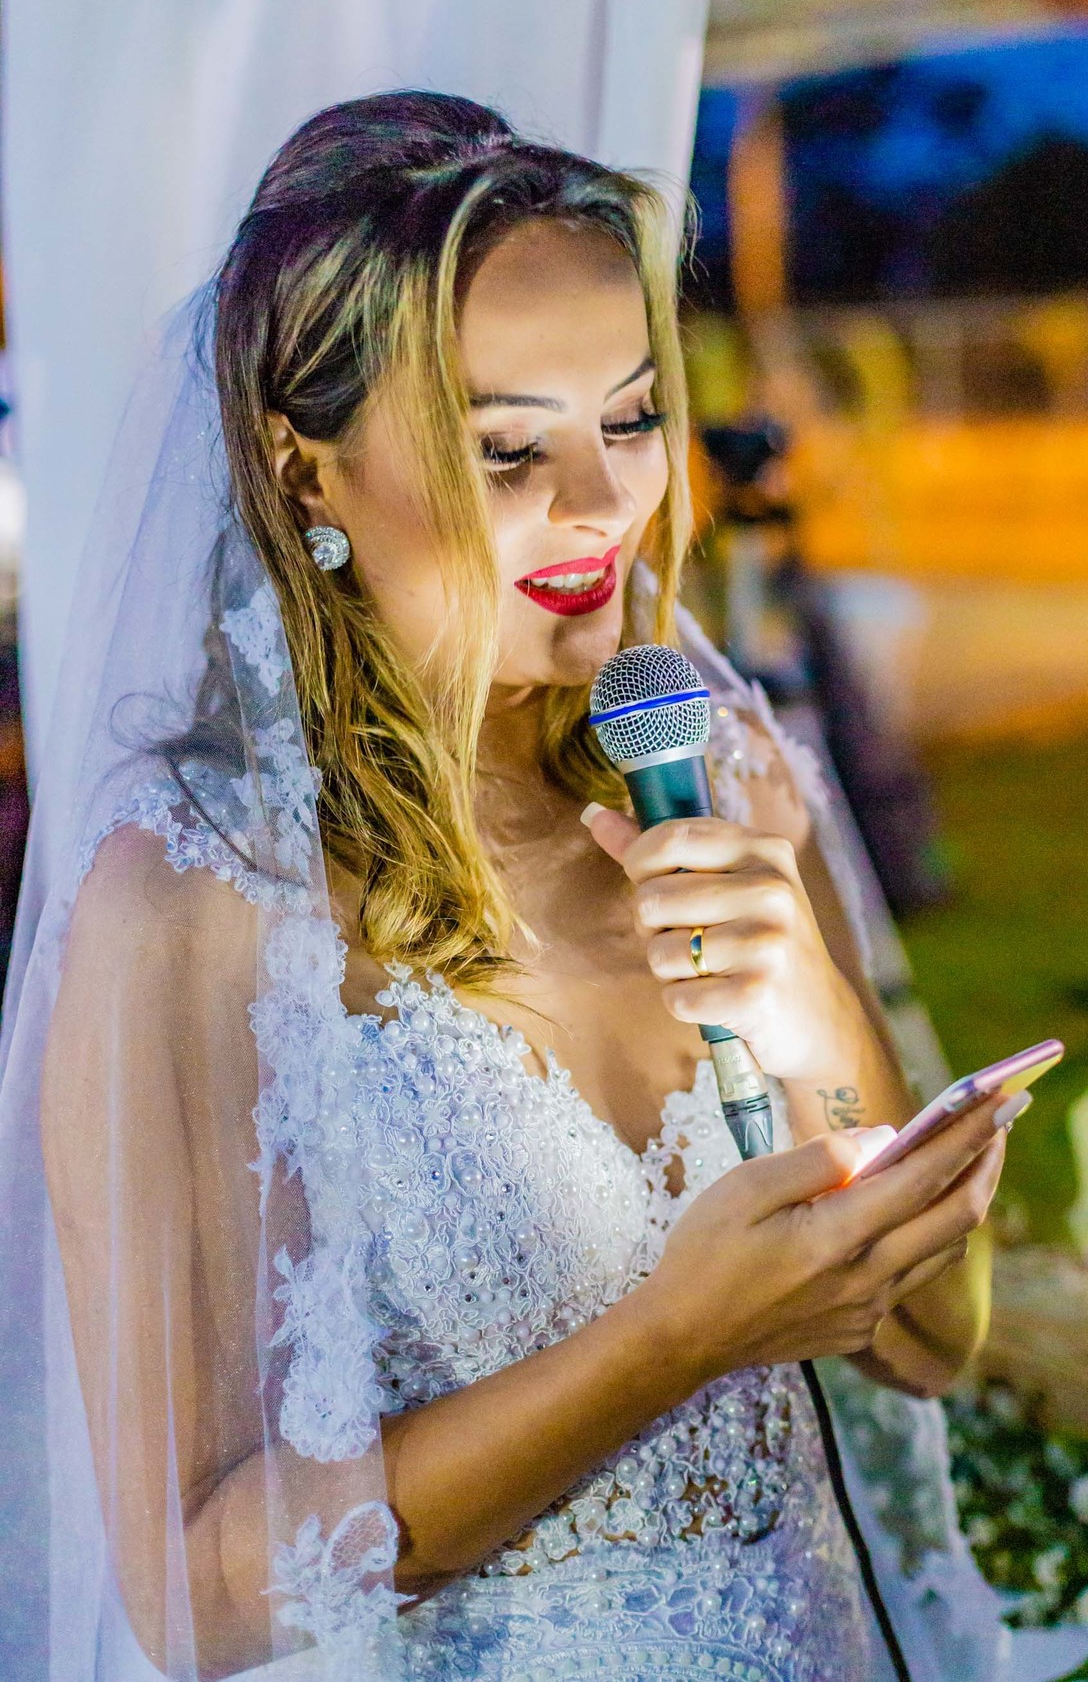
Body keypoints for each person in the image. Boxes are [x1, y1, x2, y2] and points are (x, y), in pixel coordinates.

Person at [0, 92, 1017, 1682]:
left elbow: (935, 1346)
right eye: (505, 448)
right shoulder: (196, 897)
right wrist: (671, 1340)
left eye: (627, 419)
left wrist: (814, 1011)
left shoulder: (719, 759)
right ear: (308, 470)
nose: (606, 507)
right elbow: (195, 1593)